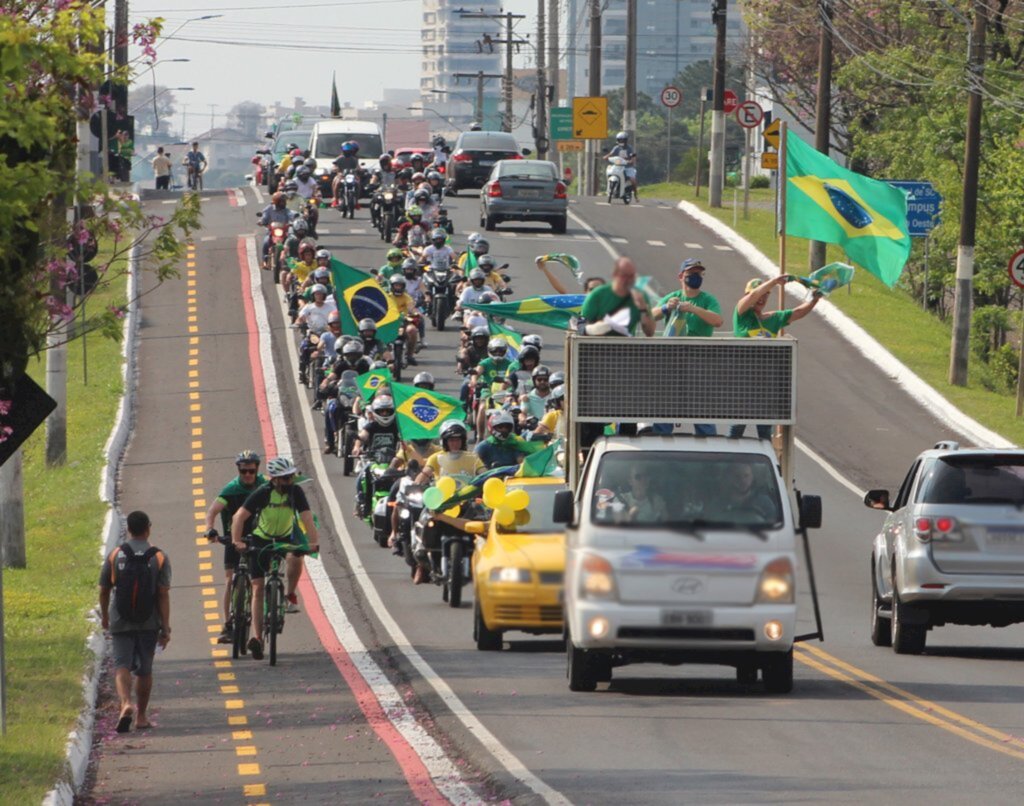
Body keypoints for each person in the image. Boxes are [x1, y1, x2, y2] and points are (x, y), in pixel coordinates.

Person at [231, 457, 319, 660]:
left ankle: (289, 595)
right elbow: (239, 517)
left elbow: (306, 516)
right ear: (275, 479)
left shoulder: (296, 492)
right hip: (261, 540)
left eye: (290, 477)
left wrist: (313, 543)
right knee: (258, 587)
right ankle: (258, 639)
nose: (290, 481)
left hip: (285, 538)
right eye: (285, 478)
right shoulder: (262, 493)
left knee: (296, 557)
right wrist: (237, 541)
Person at [99, 511, 171, 732]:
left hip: (120, 619)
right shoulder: (158, 557)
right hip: (148, 621)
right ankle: (140, 716)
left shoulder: (116, 554)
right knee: (145, 670)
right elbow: (162, 594)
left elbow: (104, 589)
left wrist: (105, 616)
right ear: (148, 528)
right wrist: (165, 627)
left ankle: (125, 703)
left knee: (122, 665)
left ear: (128, 529)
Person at [731, 275, 822, 439]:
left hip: (764, 385)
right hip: (742, 384)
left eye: (766, 295)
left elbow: (798, 312)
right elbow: (752, 297)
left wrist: (815, 299)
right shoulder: (742, 315)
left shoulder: (772, 319)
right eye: (760, 294)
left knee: (765, 432)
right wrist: (773, 282)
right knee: (737, 429)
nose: (762, 298)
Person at [652, 258, 723, 436]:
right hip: (671, 360)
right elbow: (649, 316)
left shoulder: (707, 300)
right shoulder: (673, 296)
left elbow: (718, 320)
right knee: (665, 403)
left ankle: (707, 441)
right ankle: (662, 438)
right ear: (681, 276)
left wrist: (694, 309)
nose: (695, 277)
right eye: (691, 274)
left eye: (699, 274)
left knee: (700, 405)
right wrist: (665, 308)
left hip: (698, 360)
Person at [203, 451, 266, 642]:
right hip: (234, 538)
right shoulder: (231, 489)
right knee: (229, 580)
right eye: (243, 471)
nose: (247, 475)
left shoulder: (265, 484)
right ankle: (228, 623)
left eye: (251, 471)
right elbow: (212, 511)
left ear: (257, 469)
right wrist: (210, 529)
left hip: (258, 537)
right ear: (238, 470)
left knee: (259, 582)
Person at [579, 257, 654, 337]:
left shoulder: (641, 296)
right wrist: (595, 329)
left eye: (631, 276)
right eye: (624, 276)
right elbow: (581, 326)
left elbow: (649, 332)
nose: (628, 280)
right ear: (615, 275)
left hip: (625, 345)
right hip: (597, 344)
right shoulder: (598, 294)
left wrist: (643, 309)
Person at [475, 410, 547, 469]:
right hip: (490, 481)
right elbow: (473, 465)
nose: (504, 430)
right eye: (500, 427)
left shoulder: (515, 442)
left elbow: (522, 465)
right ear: (492, 427)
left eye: (507, 427)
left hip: (512, 481)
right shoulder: (483, 447)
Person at [605, 131, 638, 197]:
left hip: (627, 167)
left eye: (623, 140)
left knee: (632, 180)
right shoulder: (616, 148)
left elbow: (633, 156)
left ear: (626, 140)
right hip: (617, 166)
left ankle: (635, 194)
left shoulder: (629, 148)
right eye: (620, 140)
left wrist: (631, 161)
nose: (621, 141)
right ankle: (611, 188)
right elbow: (611, 154)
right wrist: (606, 157)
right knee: (609, 172)